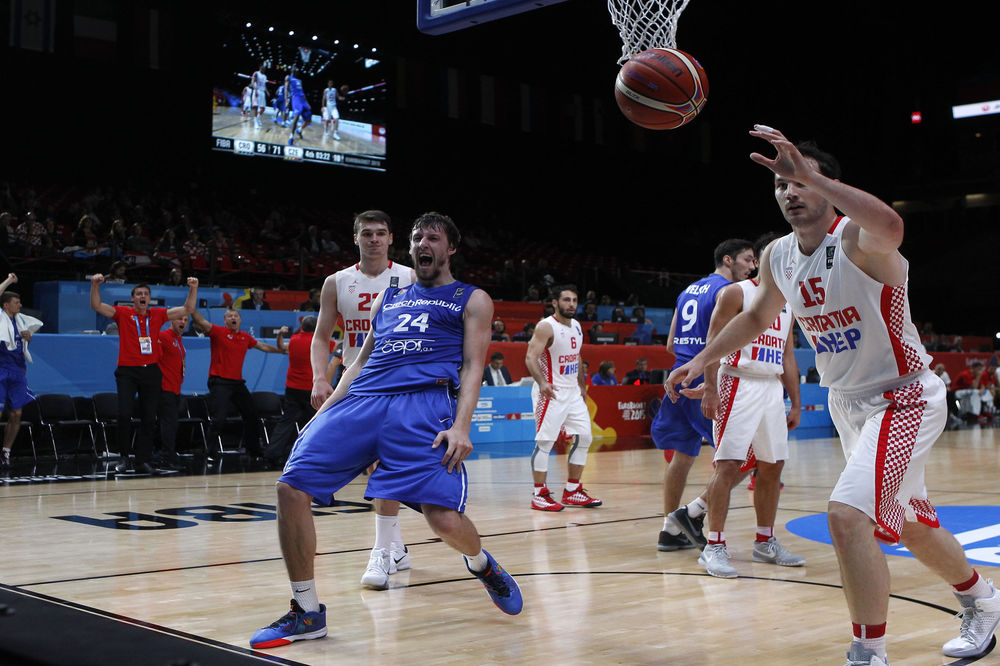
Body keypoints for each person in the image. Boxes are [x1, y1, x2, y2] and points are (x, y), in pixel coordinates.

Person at [666, 126, 1000, 664]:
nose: (788, 192)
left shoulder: (857, 239)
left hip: (904, 396)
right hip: (850, 406)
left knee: (846, 516)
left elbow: (892, 224)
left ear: (827, 184)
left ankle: (867, 654)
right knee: (911, 521)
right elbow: (755, 317)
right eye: (779, 185)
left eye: (798, 182)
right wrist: (703, 360)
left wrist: (813, 174)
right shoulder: (776, 256)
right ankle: (983, 602)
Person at [250, 212, 522, 650]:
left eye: (432, 237)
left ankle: (482, 564)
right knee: (290, 488)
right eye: (417, 238)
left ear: (450, 249)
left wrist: (462, 425)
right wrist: (324, 413)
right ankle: (306, 613)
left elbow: (473, 366)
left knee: (442, 519)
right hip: (364, 400)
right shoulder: (388, 300)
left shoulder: (472, 299)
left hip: (423, 403)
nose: (422, 243)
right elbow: (357, 364)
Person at [669, 232, 805, 578]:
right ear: (763, 260)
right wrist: (711, 388)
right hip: (737, 381)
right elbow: (713, 341)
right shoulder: (736, 292)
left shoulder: (788, 302)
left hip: (771, 387)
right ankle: (714, 546)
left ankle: (765, 541)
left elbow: (788, 355)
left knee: (772, 465)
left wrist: (795, 403)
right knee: (727, 465)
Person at [309, 210, 415, 590]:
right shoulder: (337, 282)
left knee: (386, 465)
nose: (374, 239)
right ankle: (396, 547)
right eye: (366, 233)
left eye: (380, 233)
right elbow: (322, 336)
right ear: (355, 238)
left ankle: (383, 552)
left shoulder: (409, 276)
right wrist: (320, 376)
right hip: (353, 381)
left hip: (398, 382)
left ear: (391, 239)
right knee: (369, 465)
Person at [653, 238, 755, 552]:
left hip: (680, 372)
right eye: (748, 260)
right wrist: (711, 381)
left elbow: (671, 344)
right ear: (728, 260)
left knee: (682, 457)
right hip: (704, 378)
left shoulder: (688, 291)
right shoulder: (728, 293)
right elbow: (717, 340)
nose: (752, 267)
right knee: (746, 458)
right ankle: (692, 514)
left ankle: (669, 529)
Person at [90, 275, 198, 473]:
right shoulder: (123, 313)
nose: (142, 296)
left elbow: (187, 310)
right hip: (127, 372)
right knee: (124, 414)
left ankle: (142, 460)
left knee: (149, 418)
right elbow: (97, 305)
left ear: (149, 299)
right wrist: (95, 285)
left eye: (146, 294)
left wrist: (193, 288)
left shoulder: (157, 314)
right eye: (139, 293)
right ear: (133, 298)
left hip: (151, 371)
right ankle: (124, 457)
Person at [524, 285, 601, 511]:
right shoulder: (546, 327)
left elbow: (576, 358)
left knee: (585, 437)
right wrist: (542, 383)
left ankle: (572, 490)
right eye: (566, 300)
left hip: (572, 393)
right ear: (555, 303)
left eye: (575, 300)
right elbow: (530, 357)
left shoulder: (577, 326)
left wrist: (582, 385)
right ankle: (539, 494)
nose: (571, 304)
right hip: (552, 392)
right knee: (545, 442)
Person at [189, 308, 285, 456]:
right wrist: (191, 309)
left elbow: (263, 346)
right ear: (225, 320)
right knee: (218, 419)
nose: (233, 318)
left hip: (237, 383)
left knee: (252, 415)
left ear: (240, 320)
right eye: (229, 316)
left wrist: (280, 351)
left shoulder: (245, 337)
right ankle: (208, 452)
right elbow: (201, 321)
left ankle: (253, 450)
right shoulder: (218, 332)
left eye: (235, 316)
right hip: (219, 381)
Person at [261, 317, 337, 466]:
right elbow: (340, 348)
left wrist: (280, 335)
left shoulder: (294, 340)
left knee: (286, 422)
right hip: (311, 389)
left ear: (302, 327)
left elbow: (282, 346)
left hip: (293, 389)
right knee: (315, 423)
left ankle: (271, 454)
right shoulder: (321, 342)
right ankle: (313, 454)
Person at [0, 274, 42, 467]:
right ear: (6, 305)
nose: (20, 305)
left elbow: (24, 342)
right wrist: (9, 280)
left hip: (17, 370)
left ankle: (6, 451)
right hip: (1, 369)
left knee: (17, 413)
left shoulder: (21, 320)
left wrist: (28, 337)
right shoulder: (0, 317)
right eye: (16, 302)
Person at [156, 314, 188, 470]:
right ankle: (167, 458)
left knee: (171, 424)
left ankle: (168, 455)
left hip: (175, 388)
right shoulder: (163, 336)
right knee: (168, 425)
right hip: (164, 388)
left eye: (185, 320)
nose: (183, 322)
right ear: (171, 320)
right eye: (180, 319)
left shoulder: (178, 340)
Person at [285, 68, 312, 146]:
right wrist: (286, 100)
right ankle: (291, 137)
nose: (297, 71)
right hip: (295, 98)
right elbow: (286, 89)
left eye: (297, 70)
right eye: (295, 70)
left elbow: (302, 92)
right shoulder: (288, 77)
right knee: (296, 116)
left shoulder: (300, 81)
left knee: (309, 120)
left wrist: (307, 102)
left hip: (303, 99)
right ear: (292, 71)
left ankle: (299, 130)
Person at [251, 61, 268, 129]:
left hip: (262, 92)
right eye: (263, 66)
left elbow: (264, 85)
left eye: (265, 67)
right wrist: (255, 90)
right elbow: (253, 82)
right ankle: (255, 122)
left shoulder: (265, 76)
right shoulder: (256, 73)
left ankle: (258, 118)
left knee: (263, 108)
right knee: (256, 107)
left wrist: (267, 91)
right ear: (260, 67)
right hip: (257, 90)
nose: (264, 68)